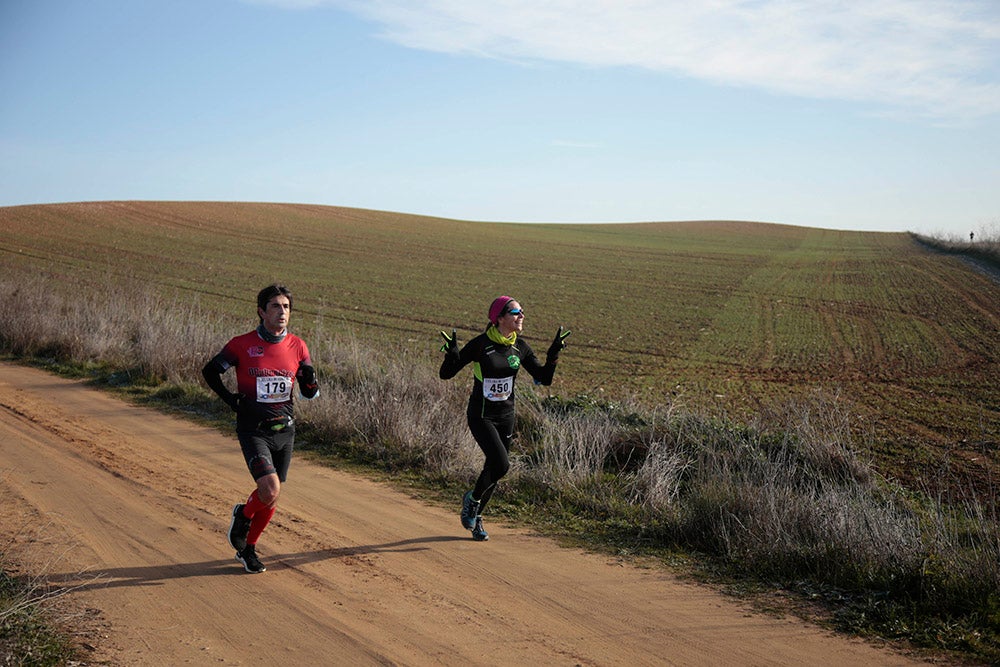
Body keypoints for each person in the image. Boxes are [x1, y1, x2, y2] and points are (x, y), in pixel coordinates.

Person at [202, 284, 319, 573]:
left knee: (272, 495)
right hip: (253, 429)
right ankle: (243, 516)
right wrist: (230, 399)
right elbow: (210, 370)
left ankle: (248, 548)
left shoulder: (298, 346)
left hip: (285, 431)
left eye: (287, 307)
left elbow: (308, 394)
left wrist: (311, 381)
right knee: (270, 488)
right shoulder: (241, 344)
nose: (282, 312)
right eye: (276, 306)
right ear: (261, 311)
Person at [439, 296, 570, 541]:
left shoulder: (520, 347)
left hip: (506, 416)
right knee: (502, 464)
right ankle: (472, 501)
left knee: (495, 468)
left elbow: (544, 378)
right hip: (481, 415)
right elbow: (447, 374)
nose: (521, 316)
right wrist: (452, 354)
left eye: (522, 311)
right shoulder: (480, 345)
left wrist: (553, 354)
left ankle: (477, 518)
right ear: (499, 318)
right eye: (515, 312)